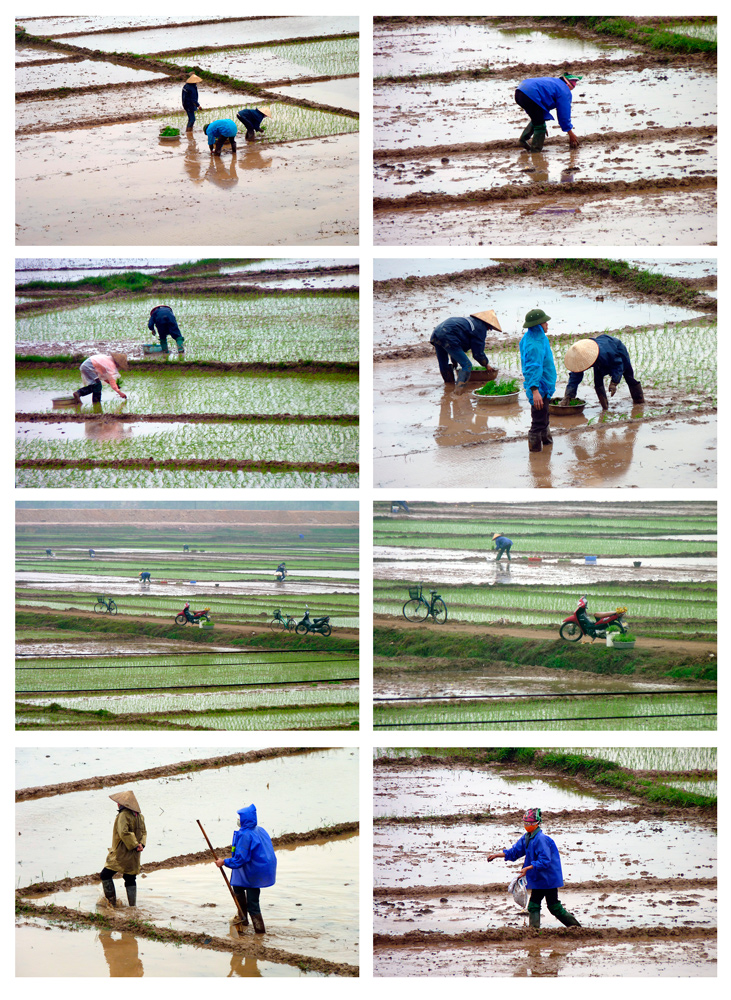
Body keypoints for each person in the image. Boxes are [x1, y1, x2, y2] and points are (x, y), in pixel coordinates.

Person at [486, 808, 581, 929]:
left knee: (553, 907)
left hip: (548, 879)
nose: (526, 826)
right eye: (525, 823)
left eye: (529, 824)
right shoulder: (527, 837)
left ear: (536, 823)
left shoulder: (541, 839)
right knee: (534, 906)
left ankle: (576, 928)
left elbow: (545, 861)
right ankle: (534, 931)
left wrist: (527, 868)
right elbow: (515, 851)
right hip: (539, 879)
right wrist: (497, 855)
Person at [215, 804, 277, 934]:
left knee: (253, 903)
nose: (238, 820)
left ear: (244, 819)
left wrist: (223, 862)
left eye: (239, 817)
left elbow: (240, 859)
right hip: (258, 868)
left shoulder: (246, 835)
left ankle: (260, 932)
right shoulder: (259, 830)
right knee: (237, 888)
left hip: (253, 871)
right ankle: (243, 920)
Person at [559, 336, 645, 410]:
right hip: (599, 354)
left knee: (628, 375)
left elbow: (618, 365)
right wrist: (568, 396)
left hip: (617, 349)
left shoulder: (605, 354)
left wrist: (614, 383)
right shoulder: (579, 357)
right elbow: (575, 377)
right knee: (598, 381)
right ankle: (605, 407)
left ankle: (639, 400)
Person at [430, 310, 501, 392]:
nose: (488, 330)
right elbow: (478, 354)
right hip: (448, 335)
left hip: (437, 333)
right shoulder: (480, 327)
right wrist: (486, 364)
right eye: (489, 329)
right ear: (488, 326)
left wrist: (455, 362)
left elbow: (456, 349)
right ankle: (458, 392)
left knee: (443, 363)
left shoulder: (469, 322)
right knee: (467, 365)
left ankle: (449, 386)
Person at [98, 790, 146, 910]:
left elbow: (124, 832)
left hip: (122, 852)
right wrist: (141, 845)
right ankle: (132, 907)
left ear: (123, 804)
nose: (117, 804)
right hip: (135, 853)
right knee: (130, 877)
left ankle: (111, 904)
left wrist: (135, 845)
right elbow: (144, 833)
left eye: (118, 802)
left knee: (105, 875)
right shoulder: (140, 816)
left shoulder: (123, 815)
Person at [519, 308, 556, 453]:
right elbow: (532, 367)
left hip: (543, 385)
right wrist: (535, 390)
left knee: (544, 415)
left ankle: (547, 443)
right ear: (537, 325)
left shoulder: (537, 337)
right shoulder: (534, 344)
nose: (547, 325)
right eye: (544, 322)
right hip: (538, 387)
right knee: (538, 421)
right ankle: (536, 458)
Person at [514, 73, 582, 152]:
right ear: (569, 86)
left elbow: (543, 102)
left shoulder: (554, 82)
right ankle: (535, 152)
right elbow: (564, 115)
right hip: (530, 94)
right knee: (540, 126)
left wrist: (541, 120)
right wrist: (570, 133)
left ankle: (522, 141)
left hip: (520, 91)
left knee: (537, 119)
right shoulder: (564, 90)